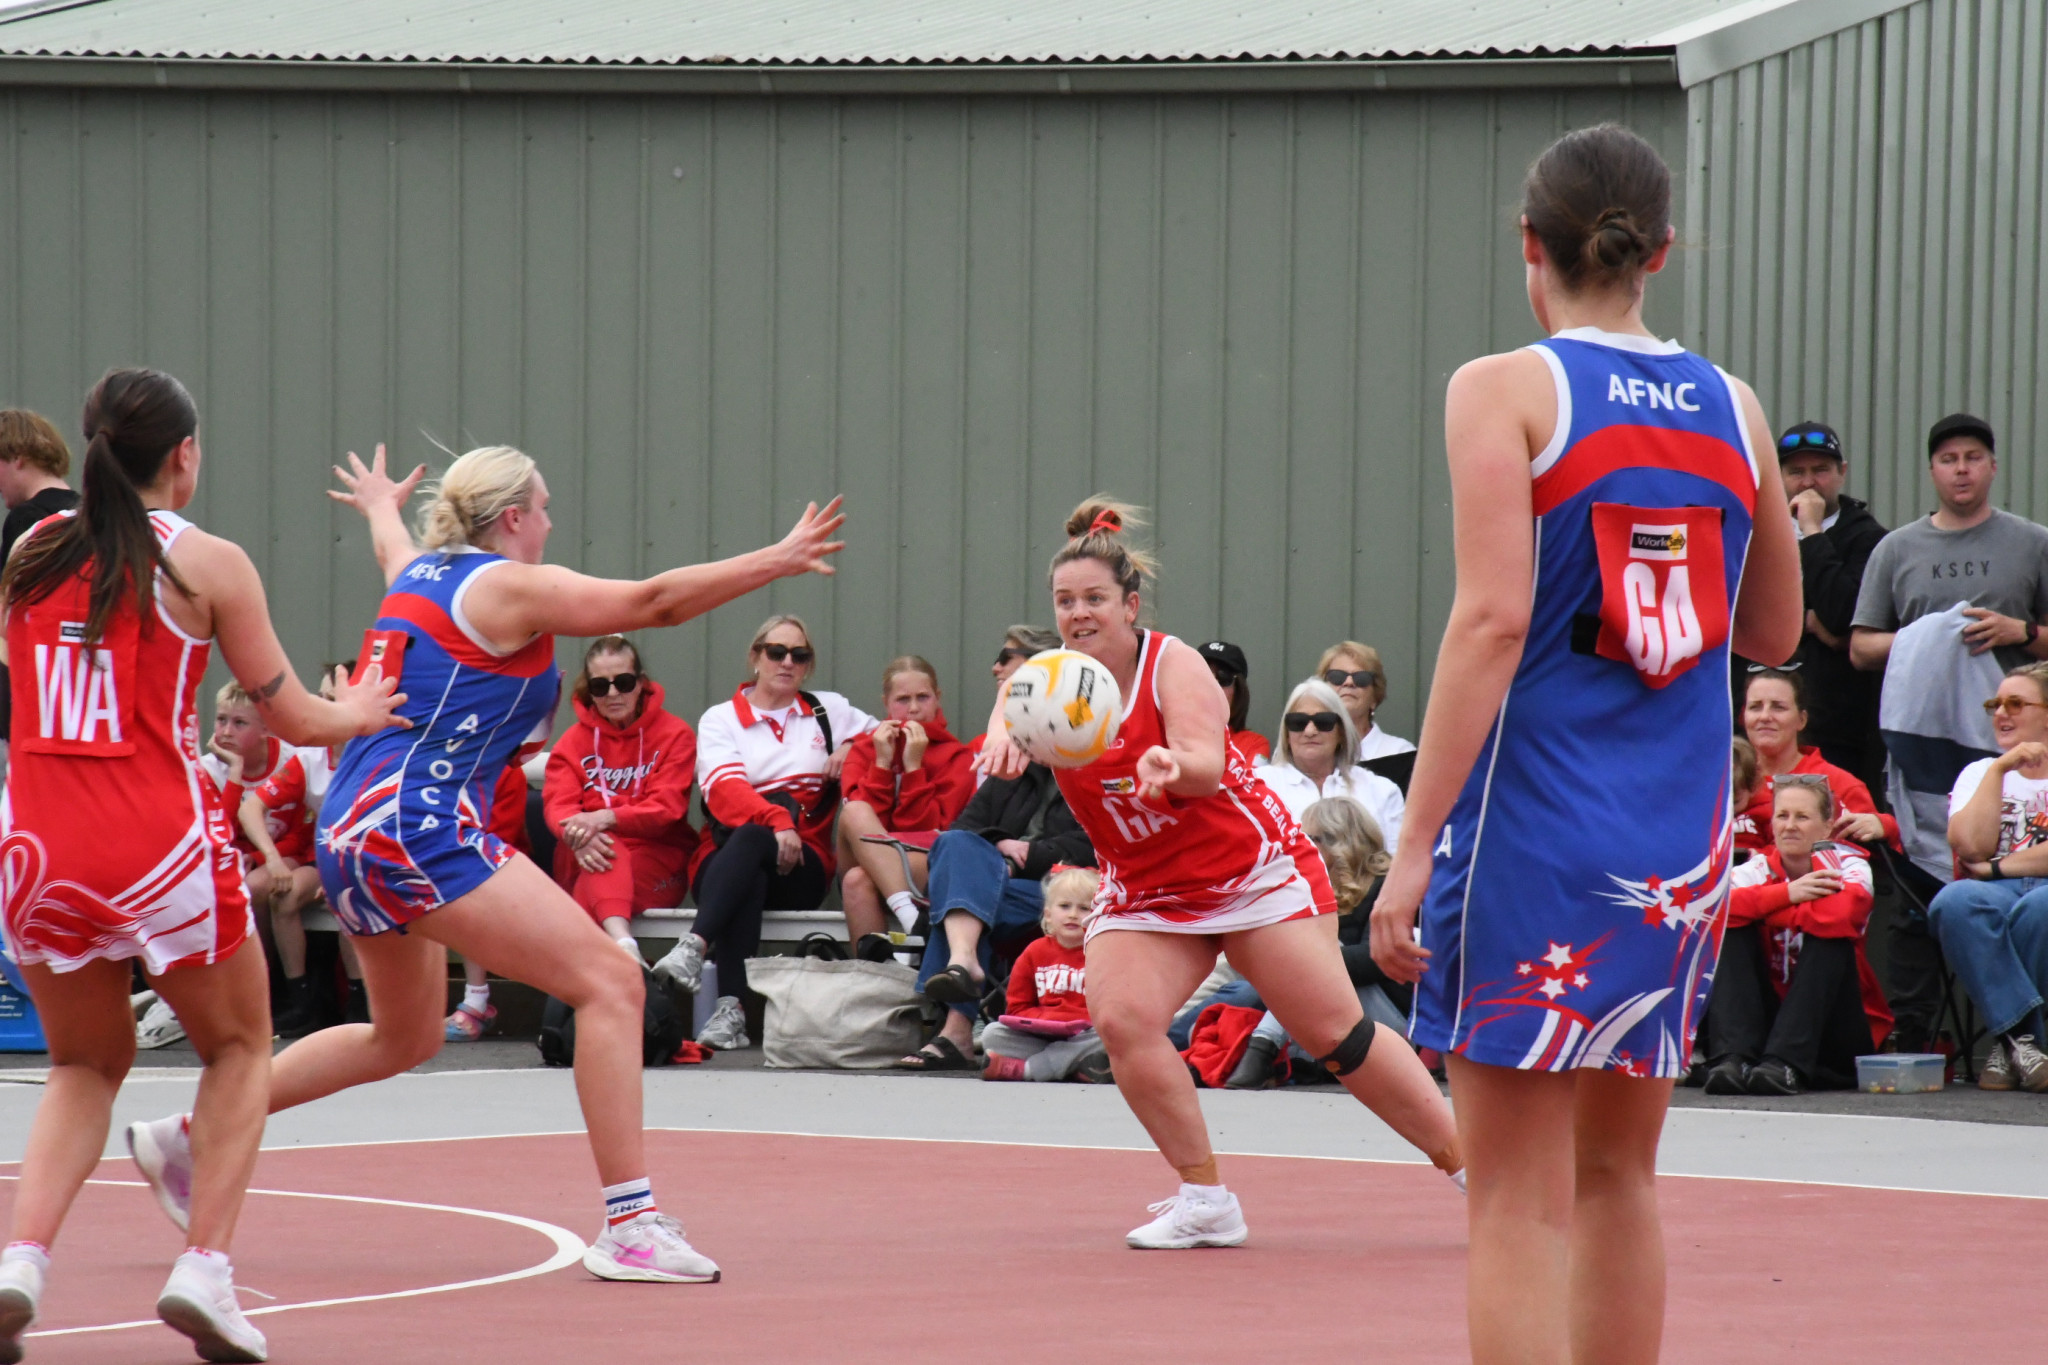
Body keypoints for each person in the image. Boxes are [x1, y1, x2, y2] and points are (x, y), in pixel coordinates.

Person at [126, 444, 846, 1289]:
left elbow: (394, 549)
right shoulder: (506, 587)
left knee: (405, 1034)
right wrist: (778, 558)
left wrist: (379, 507)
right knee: (611, 984)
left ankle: (190, 1133)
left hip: (354, 834)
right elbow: (653, 602)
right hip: (416, 826)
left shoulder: (423, 572)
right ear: (511, 517)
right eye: (541, 506)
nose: (548, 520)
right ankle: (631, 1222)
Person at [1369, 125, 1800, 1365]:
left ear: (1528, 247)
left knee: (1514, 1196)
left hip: (1532, 835)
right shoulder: (1734, 405)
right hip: (1673, 844)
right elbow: (1768, 627)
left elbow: (1491, 618)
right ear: (1659, 251)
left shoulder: (1502, 388)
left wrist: (1409, 847)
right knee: (1621, 1178)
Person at [0, 369, 406, 1361]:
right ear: (183, 455)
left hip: (36, 842)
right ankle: (206, 1272)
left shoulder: (27, 554)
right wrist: (360, 710)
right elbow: (291, 717)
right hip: (155, 843)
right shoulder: (206, 563)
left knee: (82, 1065)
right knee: (234, 1050)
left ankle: (19, 1261)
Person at [982, 496, 1464, 1250]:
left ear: (1129, 604)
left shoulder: (1172, 665)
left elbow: (1207, 765)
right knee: (1122, 1019)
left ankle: (1471, 1166)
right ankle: (1206, 1196)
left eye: (1095, 599)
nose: (1079, 612)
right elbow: (1015, 708)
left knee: (1335, 1034)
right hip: (1147, 887)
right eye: (1065, 600)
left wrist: (1173, 765)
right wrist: (1000, 736)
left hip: (1251, 873)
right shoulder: (1050, 678)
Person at [654, 615, 875, 1050]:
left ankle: (696, 949)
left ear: (808, 665)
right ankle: (730, 1009)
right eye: (776, 652)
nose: (787, 662)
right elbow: (724, 791)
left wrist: (852, 746)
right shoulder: (721, 719)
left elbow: (889, 734)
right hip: (727, 859)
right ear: (756, 657)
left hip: (802, 867)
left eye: (799, 655)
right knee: (751, 851)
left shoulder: (829, 711)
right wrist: (777, 822)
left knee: (753, 850)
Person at [897, 757, 1097, 1071]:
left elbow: (1096, 844)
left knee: (962, 903)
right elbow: (965, 831)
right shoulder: (1013, 772)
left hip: (1061, 892)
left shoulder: (1097, 773)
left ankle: (956, 1028)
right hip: (995, 885)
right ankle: (963, 963)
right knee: (954, 846)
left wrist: (1028, 856)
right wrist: (998, 847)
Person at [1707, 776, 1883, 1095]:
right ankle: (1736, 1058)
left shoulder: (1850, 865)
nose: (1790, 826)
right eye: (1782, 815)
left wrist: (1764, 910)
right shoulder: (1755, 868)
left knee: (1829, 936)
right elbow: (1714, 912)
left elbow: (1838, 917)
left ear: (1828, 826)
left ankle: (1784, 1062)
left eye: (1802, 817)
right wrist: (1787, 894)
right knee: (1730, 930)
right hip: (1766, 1024)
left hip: (1834, 1032)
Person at [1226, 797, 1413, 1089]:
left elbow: (1378, 958)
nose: (1301, 846)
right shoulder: (1310, 884)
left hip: (1391, 1014)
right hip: (1335, 1008)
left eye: (1308, 837)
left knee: (1321, 949)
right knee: (1241, 987)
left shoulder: (1388, 886)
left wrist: (1308, 964)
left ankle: (1261, 1047)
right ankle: (1176, 1041)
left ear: (1339, 840)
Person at [1927, 663, 2048, 1092]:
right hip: (1993, 894)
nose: (2001, 712)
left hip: (2035, 891)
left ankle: (2007, 1044)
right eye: (1995, 704)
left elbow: (1986, 861)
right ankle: (2024, 1041)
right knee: (1953, 902)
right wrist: (2000, 770)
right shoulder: (1980, 773)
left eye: (2016, 703)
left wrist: (1999, 867)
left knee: (2040, 906)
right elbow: (1971, 847)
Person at [1849, 413, 2048, 675]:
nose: (1961, 468)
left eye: (1973, 457)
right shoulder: (1895, 548)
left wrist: (2022, 632)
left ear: (1993, 467)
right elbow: (1860, 650)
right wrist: (1926, 638)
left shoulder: (2034, 542)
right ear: (1932, 472)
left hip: (2006, 712)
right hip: (1923, 712)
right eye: (1948, 460)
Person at [542, 635, 700, 955]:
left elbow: (666, 809)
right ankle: (625, 950)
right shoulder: (572, 744)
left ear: (641, 683)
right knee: (604, 849)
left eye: (623, 682)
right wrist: (580, 833)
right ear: (590, 690)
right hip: (587, 854)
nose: (613, 693)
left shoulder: (675, 735)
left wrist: (605, 818)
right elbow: (558, 805)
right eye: (601, 686)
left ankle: (587, 981)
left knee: (598, 870)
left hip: (656, 863)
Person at [1773, 422, 1887, 788]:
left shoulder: (1867, 538)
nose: (1808, 483)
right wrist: (1802, 619)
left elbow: (1841, 615)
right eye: (1796, 472)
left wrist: (1812, 532)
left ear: (1842, 472)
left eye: (1820, 470)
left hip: (1837, 727)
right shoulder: (1759, 533)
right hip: (1765, 719)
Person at [836, 654, 974, 947]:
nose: (913, 709)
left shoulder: (957, 757)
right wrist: (882, 764)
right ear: (886, 702)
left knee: (856, 881)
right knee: (856, 810)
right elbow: (864, 828)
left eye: (922, 697)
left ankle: (877, 979)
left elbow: (929, 830)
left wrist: (914, 768)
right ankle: (912, 920)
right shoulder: (863, 751)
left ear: (937, 698)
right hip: (867, 854)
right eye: (902, 699)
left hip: (923, 861)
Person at [1735, 668, 1897, 855]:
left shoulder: (1841, 785)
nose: (1764, 717)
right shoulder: (1721, 778)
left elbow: (1879, 858)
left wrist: (1886, 826)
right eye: (1755, 707)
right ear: (1743, 717)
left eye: (1778, 707)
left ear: (1801, 720)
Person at [0, 410, 78, 774]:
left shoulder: (26, 520)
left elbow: (8, 614)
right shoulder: (88, 511)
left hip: (26, 684)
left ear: (18, 458)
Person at [979, 867, 1109, 1083]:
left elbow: (1111, 1009)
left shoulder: (1104, 953)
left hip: (1085, 1033)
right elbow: (1017, 1007)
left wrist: (1079, 1022)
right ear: (1048, 914)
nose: (1073, 914)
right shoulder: (1034, 951)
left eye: (1084, 908)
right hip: (1041, 1034)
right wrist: (1044, 1021)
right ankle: (1077, 1066)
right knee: (992, 1034)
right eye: (1065, 906)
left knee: (1108, 1038)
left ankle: (1028, 1070)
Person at [1254, 678, 1404, 853]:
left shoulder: (1381, 791)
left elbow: (1397, 865)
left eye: (1323, 721)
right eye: (1298, 722)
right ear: (1286, 733)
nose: (1310, 731)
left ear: (1341, 731)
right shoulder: (1258, 786)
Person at [1317, 640, 1415, 791]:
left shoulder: (1400, 754)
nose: (1349, 682)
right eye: (1337, 677)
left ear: (1375, 698)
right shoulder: (1305, 750)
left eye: (1361, 678)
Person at [972, 626, 1062, 760]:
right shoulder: (977, 745)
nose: (995, 668)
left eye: (1005, 658)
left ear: (1038, 662)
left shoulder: (1066, 740)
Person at [1196, 640, 1269, 766]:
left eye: (1223, 677)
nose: (1212, 685)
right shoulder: (1169, 735)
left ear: (1238, 690)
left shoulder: (1254, 744)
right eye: (1203, 675)